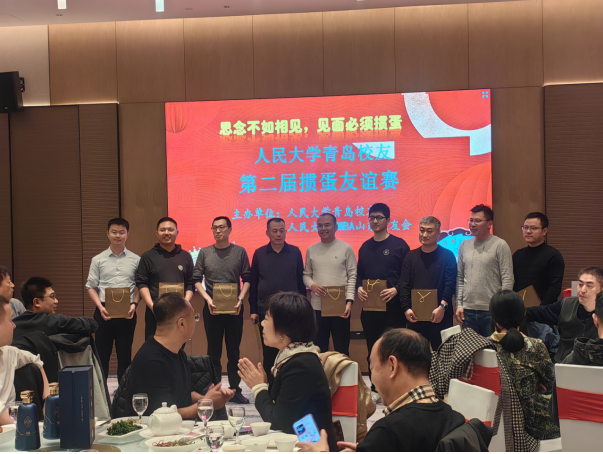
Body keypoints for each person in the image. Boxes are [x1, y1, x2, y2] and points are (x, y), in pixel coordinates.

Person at [297, 328, 465, 452]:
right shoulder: (455, 418)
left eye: (372, 367)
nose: (372, 378)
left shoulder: (389, 431)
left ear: (392, 366)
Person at [237, 292, 337, 452]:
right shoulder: (294, 357)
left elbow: (277, 422)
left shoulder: (301, 366)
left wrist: (258, 388)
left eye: (267, 318)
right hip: (300, 440)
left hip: (313, 447)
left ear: (283, 330)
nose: (262, 323)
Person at [126, 293, 234, 417]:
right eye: (195, 317)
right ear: (182, 324)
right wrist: (207, 404)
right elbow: (160, 415)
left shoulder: (177, 352)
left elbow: (182, 396)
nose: (196, 321)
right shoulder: (151, 361)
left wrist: (207, 398)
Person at [193, 216, 252, 404]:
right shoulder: (204, 252)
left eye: (222, 227)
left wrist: (240, 299)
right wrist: (208, 299)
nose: (218, 231)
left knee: (234, 352)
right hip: (212, 309)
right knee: (213, 352)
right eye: (215, 228)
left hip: (235, 308)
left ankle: (235, 390)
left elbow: (247, 278)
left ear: (230, 229)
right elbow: (196, 279)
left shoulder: (239, 252)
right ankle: (215, 389)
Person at [489, 290, 559, 440]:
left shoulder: (484, 347)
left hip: (494, 425)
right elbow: (550, 384)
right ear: (523, 315)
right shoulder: (535, 346)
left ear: (494, 319)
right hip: (532, 427)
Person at [356, 203, 409, 402]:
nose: (375, 221)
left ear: (388, 220)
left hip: (393, 308)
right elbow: (360, 274)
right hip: (370, 309)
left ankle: (398, 386)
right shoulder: (365, 246)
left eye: (379, 217)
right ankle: (375, 387)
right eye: (372, 217)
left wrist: (396, 289)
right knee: (373, 348)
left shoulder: (400, 245)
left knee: (395, 348)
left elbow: (407, 276)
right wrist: (359, 288)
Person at [249, 218, 306, 383]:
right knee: (269, 350)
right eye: (275, 231)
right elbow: (254, 283)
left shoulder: (295, 252)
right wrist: (253, 309)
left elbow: (300, 282)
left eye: (282, 230)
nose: (279, 234)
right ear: (267, 233)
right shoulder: (259, 253)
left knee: (291, 349)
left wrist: (303, 307)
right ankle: (271, 387)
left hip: (291, 310)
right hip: (266, 310)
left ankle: (290, 384)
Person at [86, 218, 140, 383]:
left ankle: (123, 391)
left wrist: (134, 304)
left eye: (121, 232)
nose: (118, 236)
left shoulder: (136, 260)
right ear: (107, 234)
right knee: (102, 353)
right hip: (104, 310)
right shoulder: (98, 259)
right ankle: (101, 392)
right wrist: (100, 307)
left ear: (127, 234)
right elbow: (91, 286)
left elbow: (141, 286)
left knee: (125, 354)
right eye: (114, 232)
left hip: (127, 311)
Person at [455, 204, 514, 336]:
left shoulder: (500, 245)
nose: (472, 224)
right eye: (471, 220)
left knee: (493, 347)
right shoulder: (464, 245)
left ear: (489, 224)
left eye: (477, 221)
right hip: (468, 311)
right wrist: (459, 304)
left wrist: (502, 307)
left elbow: (507, 278)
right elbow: (460, 278)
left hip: (491, 310)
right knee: (470, 348)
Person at [303, 213, 357, 356]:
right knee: (319, 349)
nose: (323, 228)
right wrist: (312, 285)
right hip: (318, 307)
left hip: (340, 307)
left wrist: (349, 302)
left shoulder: (346, 248)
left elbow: (352, 276)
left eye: (327, 225)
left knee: (342, 349)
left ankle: (342, 372)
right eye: (320, 225)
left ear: (336, 227)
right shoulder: (311, 249)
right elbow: (306, 274)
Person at [400, 216, 457, 350]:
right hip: (415, 316)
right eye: (422, 230)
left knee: (443, 354)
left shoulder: (447, 256)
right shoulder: (410, 256)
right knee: (417, 355)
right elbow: (404, 284)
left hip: (440, 314)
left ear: (438, 233)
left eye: (429, 231)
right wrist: (406, 308)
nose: (424, 234)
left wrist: (442, 307)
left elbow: (450, 283)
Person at [526, 267, 602, 362]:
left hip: (594, 365)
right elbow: (537, 313)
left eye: (589, 286)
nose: (582, 290)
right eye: (580, 284)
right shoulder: (567, 304)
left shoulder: (600, 312)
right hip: (563, 363)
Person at [136, 217, 194, 340]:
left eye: (170, 230)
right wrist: (153, 306)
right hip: (155, 313)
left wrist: (184, 303)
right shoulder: (148, 257)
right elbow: (142, 283)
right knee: (154, 346)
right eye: (163, 230)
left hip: (179, 313)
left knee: (178, 345)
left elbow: (190, 283)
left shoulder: (186, 256)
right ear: (157, 234)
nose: (166, 233)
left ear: (177, 233)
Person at [0, 296, 49, 426]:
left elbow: (36, 360)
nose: (14, 325)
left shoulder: (8, 352)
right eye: (10, 320)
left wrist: (47, 398)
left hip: (12, 428)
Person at [12, 277, 97, 341]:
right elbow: (92, 325)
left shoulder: (13, 325)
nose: (56, 301)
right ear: (37, 302)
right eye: (52, 296)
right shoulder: (53, 321)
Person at [513, 212, 565, 305]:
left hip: (543, 309)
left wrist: (541, 309)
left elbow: (555, 288)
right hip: (518, 307)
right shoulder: (517, 255)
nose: (528, 231)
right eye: (525, 227)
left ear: (544, 231)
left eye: (533, 228)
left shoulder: (553, 256)